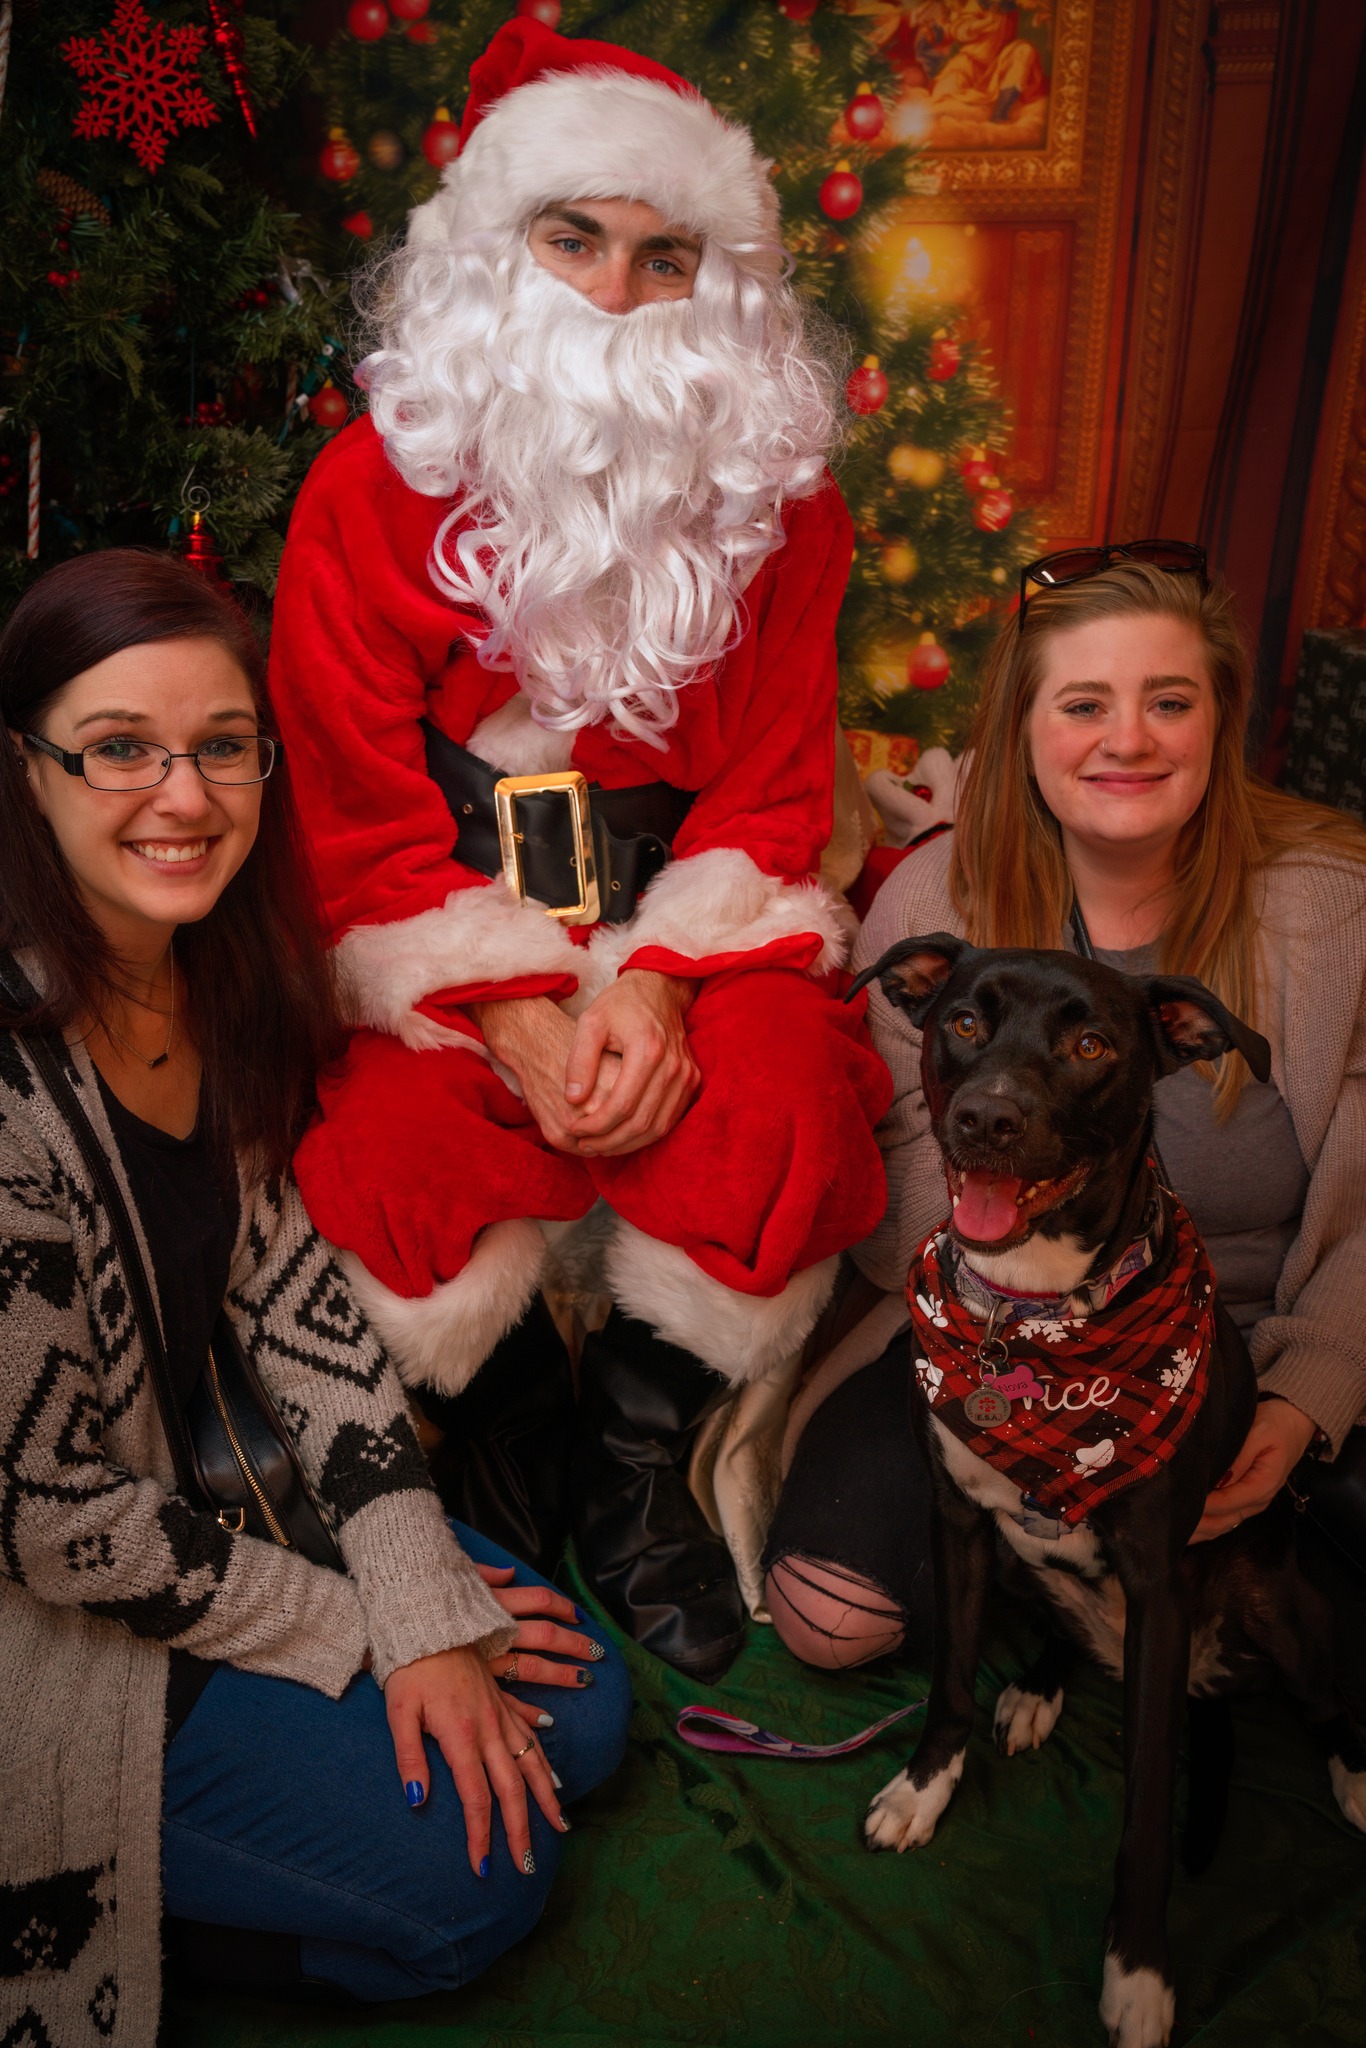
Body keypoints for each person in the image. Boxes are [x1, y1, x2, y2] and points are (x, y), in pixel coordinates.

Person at [267, 19, 891, 1682]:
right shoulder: (362, 490)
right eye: (574, 239)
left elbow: (771, 792)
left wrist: (665, 988)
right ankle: (508, 1432)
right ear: (495, 247)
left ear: (719, 284)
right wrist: (514, 1011)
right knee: (395, 1149)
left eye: (663, 255)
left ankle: (635, 1460)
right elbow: (347, 812)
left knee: (785, 1110)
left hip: (686, 913)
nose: (617, 293)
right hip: (440, 921)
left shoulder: (788, 509)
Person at [0, 551, 631, 2047]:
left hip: (203, 1489)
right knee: (478, 1884)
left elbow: (289, 1293)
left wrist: (416, 1591)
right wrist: (371, 1627)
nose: (184, 796)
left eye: (222, 746)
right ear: (27, 770)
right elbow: (44, 1515)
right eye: (119, 748)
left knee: (585, 1709)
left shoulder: (202, 978)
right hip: (44, 1607)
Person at [764, 545, 1366, 1670]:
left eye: (1168, 702)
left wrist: (1304, 1395)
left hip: (1244, 1349)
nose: (1127, 739)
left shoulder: (1333, 908)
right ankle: (1037, 1602)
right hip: (991, 1340)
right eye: (1084, 704)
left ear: (1219, 720)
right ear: (1024, 725)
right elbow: (895, 1181)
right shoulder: (937, 897)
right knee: (830, 1614)